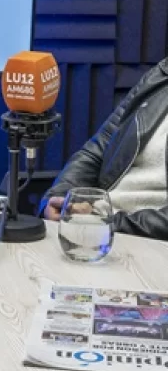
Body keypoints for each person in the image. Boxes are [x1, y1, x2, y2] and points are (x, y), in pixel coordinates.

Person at [41, 58, 168, 239]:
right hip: (91, 226)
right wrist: (61, 199)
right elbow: (97, 150)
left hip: (138, 240)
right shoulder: (161, 75)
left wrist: (104, 222)